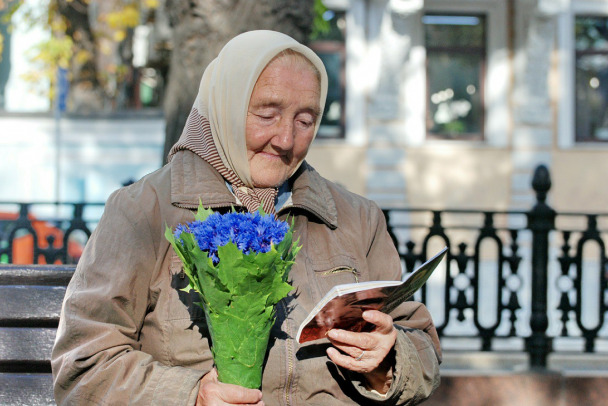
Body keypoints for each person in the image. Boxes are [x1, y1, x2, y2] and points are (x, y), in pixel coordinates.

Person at [51, 30, 441, 405]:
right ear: (225, 106)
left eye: (305, 120)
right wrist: (189, 397)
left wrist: (388, 361)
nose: (286, 139)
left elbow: (421, 346)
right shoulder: (144, 211)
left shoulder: (356, 218)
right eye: (267, 115)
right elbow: (84, 365)